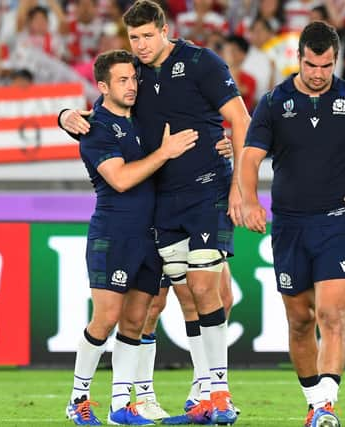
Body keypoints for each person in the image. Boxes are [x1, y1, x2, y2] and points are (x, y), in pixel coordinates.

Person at [60, 1, 251, 424]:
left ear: (165, 29)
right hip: (155, 207)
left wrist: (240, 181)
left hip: (205, 193)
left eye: (148, 35)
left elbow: (240, 119)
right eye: (134, 37)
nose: (141, 46)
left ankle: (212, 389)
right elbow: (98, 115)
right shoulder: (133, 77)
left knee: (205, 291)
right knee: (157, 303)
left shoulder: (201, 62)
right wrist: (65, 115)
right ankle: (131, 398)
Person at [239, 21, 345, 427]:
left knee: (331, 314)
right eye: (312, 65)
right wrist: (249, 200)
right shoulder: (274, 102)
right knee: (300, 320)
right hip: (289, 225)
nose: (318, 74)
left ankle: (326, 404)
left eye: (326, 66)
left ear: (335, 61)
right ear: (299, 58)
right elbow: (251, 157)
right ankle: (314, 402)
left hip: (336, 222)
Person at [65, 49, 199, 426]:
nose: (131, 86)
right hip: (114, 233)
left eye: (133, 78)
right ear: (103, 86)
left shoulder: (143, 119)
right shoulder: (96, 128)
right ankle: (78, 398)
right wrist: (164, 152)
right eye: (122, 80)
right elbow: (121, 179)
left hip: (149, 236)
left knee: (136, 322)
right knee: (105, 318)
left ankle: (121, 406)